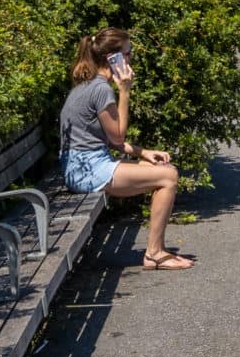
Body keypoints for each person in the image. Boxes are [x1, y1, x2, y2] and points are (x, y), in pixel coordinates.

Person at [58, 28, 192, 271]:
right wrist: (125, 90)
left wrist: (142, 153)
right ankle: (154, 253)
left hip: (82, 165)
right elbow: (118, 134)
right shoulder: (101, 90)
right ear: (113, 58)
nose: (130, 59)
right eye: (128, 54)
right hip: (87, 170)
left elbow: (110, 140)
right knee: (169, 176)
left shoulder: (87, 85)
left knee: (161, 167)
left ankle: (156, 250)